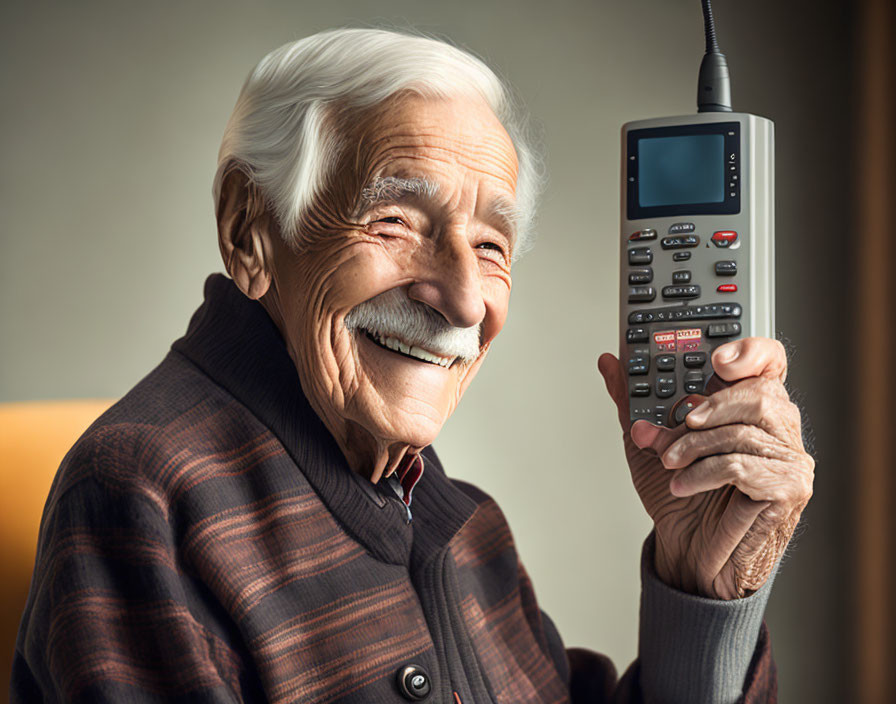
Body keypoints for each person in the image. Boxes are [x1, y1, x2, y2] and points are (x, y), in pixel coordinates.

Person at [11, 28, 814, 703]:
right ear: (249, 229)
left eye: (491, 246)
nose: (465, 301)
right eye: (395, 220)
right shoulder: (137, 493)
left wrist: (701, 586)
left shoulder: (465, 525)